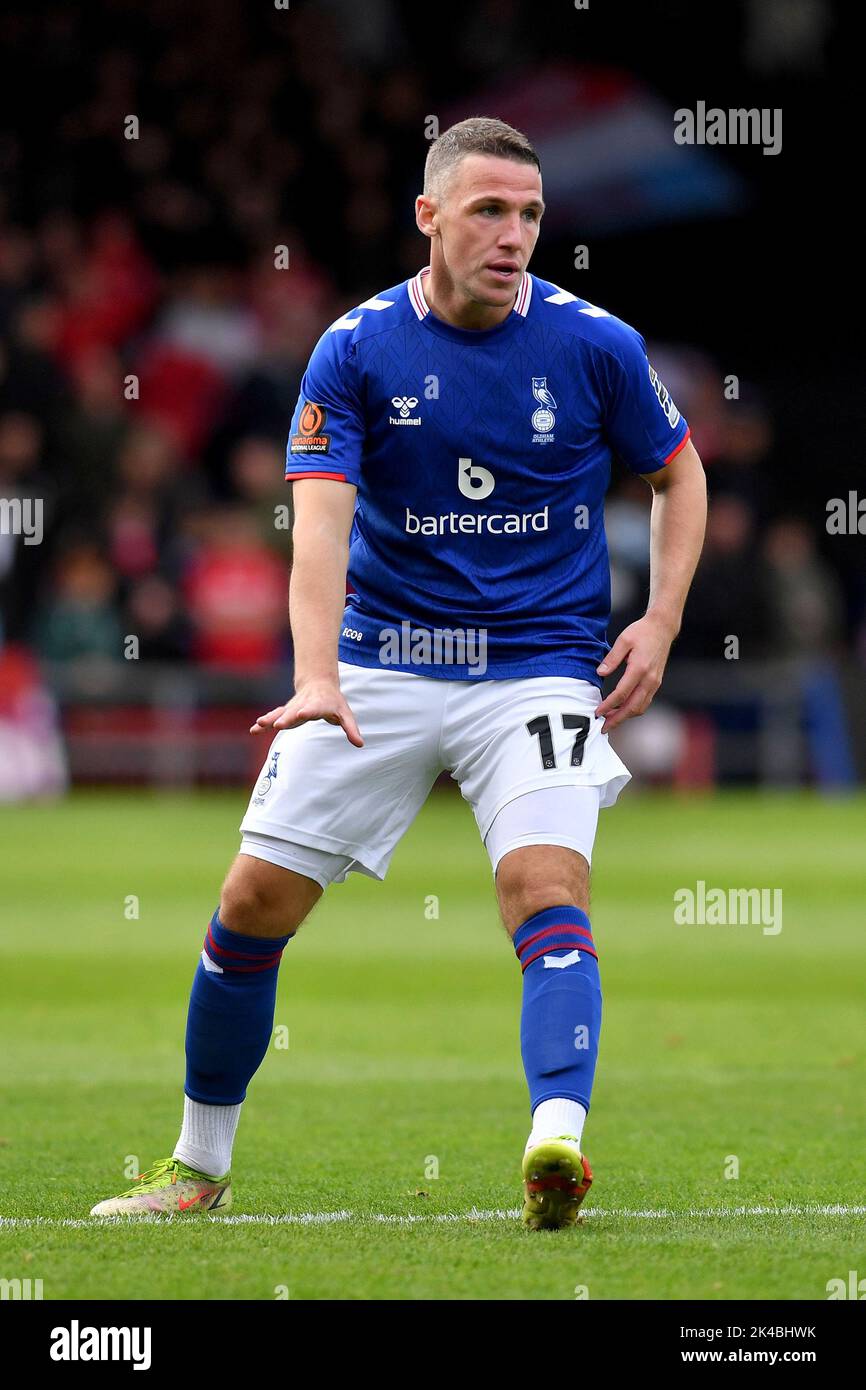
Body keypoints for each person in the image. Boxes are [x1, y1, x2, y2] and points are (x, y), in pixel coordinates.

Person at [91, 117, 707, 1230]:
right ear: (427, 216)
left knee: (545, 888)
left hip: (535, 668)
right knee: (250, 903)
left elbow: (679, 472)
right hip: (381, 660)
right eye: (486, 210)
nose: (512, 234)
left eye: (527, 214)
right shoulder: (357, 348)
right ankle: (194, 1164)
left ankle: (554, 1144)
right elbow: (316, 529)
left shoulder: (595, 345)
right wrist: (315, 673)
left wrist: (660, 621)